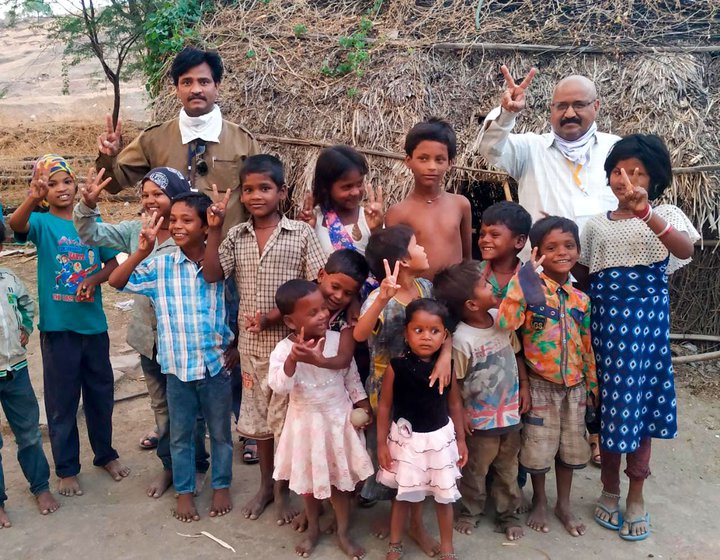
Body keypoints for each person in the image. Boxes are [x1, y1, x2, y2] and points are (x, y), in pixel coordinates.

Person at [577, 134, 698, 541]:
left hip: (644, 340)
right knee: (607, 412)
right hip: (604, 335)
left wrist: (645, 212)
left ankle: (636, 496)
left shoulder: (667, 215)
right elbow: (582, 277)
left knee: (639, 415)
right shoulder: (594, 226)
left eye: (636, 172)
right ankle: (609, 490)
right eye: (617, 171)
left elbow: (684, 250)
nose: (624, 179)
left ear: (655, 178)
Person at [73, 166, 211, 498]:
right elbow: (90, 233)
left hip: (186, 340)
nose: (150, 200)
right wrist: (87, 205)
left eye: (158, 194)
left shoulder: (192, 234)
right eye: (145, 194)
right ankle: (170, 468)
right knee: (161, 406)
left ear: (176, 196)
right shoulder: (136, 231)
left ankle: (196, 464)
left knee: (194, 409)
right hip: (149, 340)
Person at [202, 154, 326, 524]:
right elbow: (211, 273)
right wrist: (214, 228)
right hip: (253, 350)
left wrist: (275, 315)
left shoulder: (301, 234)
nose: (256, 196)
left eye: (265, 188)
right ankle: (268, 488)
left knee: (291, 422)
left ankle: (291, 491)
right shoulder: (236, 237)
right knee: (261, 427)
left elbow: (317, 284)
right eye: (249, 190)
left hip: (292, 349)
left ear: (281, 192)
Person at [109, 192, 234, 522]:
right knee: (179, 436)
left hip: (214, 366)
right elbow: (116, 281)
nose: (176, 226)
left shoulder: (219, 262)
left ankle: (221, 484)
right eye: (173, 219)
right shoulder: (161, 264)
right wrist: (141, 251)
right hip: (177, 369)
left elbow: (227, 292)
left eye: (186, 220)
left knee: (220, 432)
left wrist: (217, 229)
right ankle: (184, 489)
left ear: (205, 225)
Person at [8, 155, 129, 497]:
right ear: (43, 191)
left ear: (77, 186)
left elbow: (111, 263)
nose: (61, 189)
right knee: (61, 401)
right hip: (58, 330)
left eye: (66, 181)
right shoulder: (42, 223)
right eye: (52, 183)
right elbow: (16, 226)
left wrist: (93, 279)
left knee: (101, 396)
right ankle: (66, 467)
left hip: (94, 327)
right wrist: (32, 197)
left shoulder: (91, 222)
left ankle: (105, 454)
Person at [496, 217, 598, 537]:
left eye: (569, 246)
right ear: (537, 252)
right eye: (552, 247)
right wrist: (522, 279)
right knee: (538, 449)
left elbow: (587, 345)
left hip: (575, 387)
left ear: (579, 251)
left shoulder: (581, 299)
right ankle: (540, 500)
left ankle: (563, 504)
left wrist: (593, 385)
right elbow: (505, 324)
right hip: (540, 386)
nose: (562, 252)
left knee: (569, 449)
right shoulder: (530, 291)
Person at [353, 226, 450, 555]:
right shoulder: (381, 295)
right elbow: (359, 334)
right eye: (417, 244)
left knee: (419, 456)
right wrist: (381, 297)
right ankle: (402, 520)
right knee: (395, 456)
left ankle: (414, 523)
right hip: (390, 388)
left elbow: (442, 328)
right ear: (404, 260)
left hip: (423, 387)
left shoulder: (425, 286)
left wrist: (446, 356)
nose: (424, 248)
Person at [96, 46, 259, 236]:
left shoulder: (242, 141)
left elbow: (259, 201)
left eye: (204, 82)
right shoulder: (154, 138)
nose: (196, 89)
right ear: (176, 89)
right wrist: (109, 157)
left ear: (217, 86)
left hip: (226, 254)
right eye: (187, 82)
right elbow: (113, 185)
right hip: (170, 256)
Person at [269, 280, 373, 558]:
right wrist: (294, 359)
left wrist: (364, 405)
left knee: (340, 484)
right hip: (306, 427)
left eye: (323, 309)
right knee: (309, 485)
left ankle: (342, 531)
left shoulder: (338, 342)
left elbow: (350, 379)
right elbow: (279, 386)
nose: (323, 315)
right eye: (313, 313)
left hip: (338, 423)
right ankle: (313, 527)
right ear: (291, 322)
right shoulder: (282, 351)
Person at [475, 65, 620, 259]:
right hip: (541, 275)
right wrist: (507, 113)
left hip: (603, 273)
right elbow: (488, 148)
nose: (569, 113)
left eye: (578, 105)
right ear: (551, 109)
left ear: (596, 106)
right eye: (561, 106)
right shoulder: (530, 148)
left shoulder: (615, 149)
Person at [433, 260, 529, 541]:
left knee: (508, 468)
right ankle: (470, 512)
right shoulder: (462, 339)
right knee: (475, 470)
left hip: (511, 415)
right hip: (479, 420)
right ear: (472, 304)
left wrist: (524, 385)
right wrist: (459, 414)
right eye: (486, 285)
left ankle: (507, 514)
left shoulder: (502, 319)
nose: (494, 286)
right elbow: (456, 382)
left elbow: (517, 355)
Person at [376, 298, 467, 560]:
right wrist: (382, 444)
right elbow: (384, 406)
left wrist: (461, 440)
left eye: (434, 331)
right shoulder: (398, 367)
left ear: (444, 335)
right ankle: (395, 544)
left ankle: (447, 548)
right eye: (419, 330)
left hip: (439, 441)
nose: (426, 337)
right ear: (406, 332)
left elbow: (455, 404)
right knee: (403, 496)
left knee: (443, 497)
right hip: (407, 444)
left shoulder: (447, 366)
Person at [0, 220, 60, 527]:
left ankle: (41, 487)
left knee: (29, 435)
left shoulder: (8, 279)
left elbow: (25, 304)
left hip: (16, 371)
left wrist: (24, 326)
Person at [385, 118, 472, 279]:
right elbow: (394, 264)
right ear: (408, 161)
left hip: (456, 295)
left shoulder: (460, 205)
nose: (432, 166)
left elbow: (467, 258)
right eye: (423, 158)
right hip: (418, 297)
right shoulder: (397, 213)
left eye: (439, 159)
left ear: (450, 163)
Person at [298, 144, 384, 256]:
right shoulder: (314, 220)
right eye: (347, 187)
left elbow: (385, 262)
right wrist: (306, 230)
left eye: (359, 184)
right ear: (326, 187)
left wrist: (377, 232)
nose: (356, 192)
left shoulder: (370, 219)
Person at [477, 201, 532, 299]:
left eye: (494, 235)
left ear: (519, 241)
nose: (485, 239)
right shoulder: (473, 275)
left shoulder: (530, 280)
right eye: (482, 234)